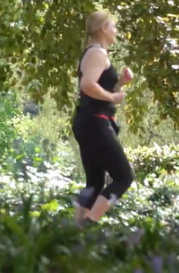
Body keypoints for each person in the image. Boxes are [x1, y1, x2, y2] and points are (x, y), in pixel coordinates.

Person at [72, 11, 135, 226]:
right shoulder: (98, 54)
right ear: (103, 29)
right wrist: (114, 96)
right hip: (95, 123)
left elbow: (99, 89)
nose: (116, 31)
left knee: (95, 182)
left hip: (87, 121)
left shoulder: (94, 53)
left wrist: (120, 84)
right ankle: (89, 224)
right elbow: (87, 86)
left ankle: (75, 230)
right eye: (113, 26)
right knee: (124, 177)